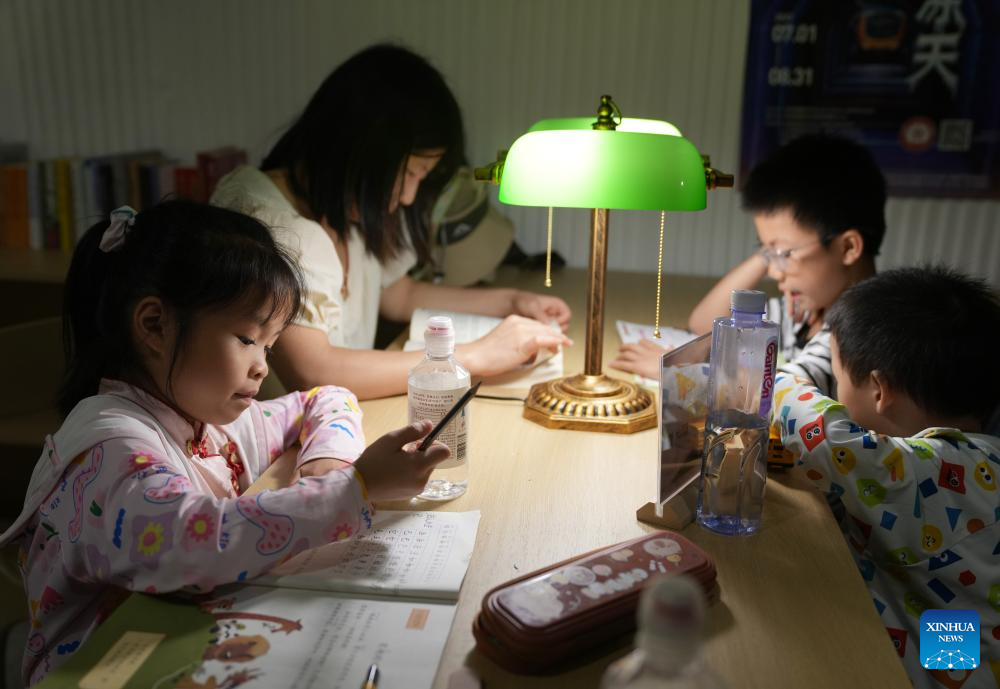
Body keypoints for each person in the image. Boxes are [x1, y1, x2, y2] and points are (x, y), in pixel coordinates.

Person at [0, 201, 451, 686]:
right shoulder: (110, 450)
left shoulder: (205, 416)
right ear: (154, 325)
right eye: (247, 339)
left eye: (269, 346)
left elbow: (325, 398)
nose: (262, 366)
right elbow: (198, 543)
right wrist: (354, 488)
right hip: (102, 668)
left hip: (180, 642)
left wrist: (326, 462)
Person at [212, 44, 572, 399]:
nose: (409, 197)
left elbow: (400, 295)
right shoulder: (265, 221)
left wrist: (512, 301)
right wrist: (475, 355)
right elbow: (314, 371)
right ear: (361, 151)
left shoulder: (344, 206)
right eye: (411, 173)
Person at [772, 267, 1000, 689]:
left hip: (953, 666)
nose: (834, 392)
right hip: (945, 617)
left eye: (837, 379)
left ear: (880, 390)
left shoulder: (935, 472)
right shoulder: (978, 458)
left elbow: (831, 441)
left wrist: (774, 382)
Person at [610, 133, 886, 396]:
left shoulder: (860, 330)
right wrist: (773, 249)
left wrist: (677, 372)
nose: (773, 271)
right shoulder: (807, 313)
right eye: (767, 253)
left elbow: (780, 394)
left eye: (784, 254)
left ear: (848, 248)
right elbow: (705, 324)